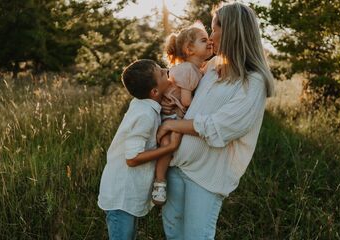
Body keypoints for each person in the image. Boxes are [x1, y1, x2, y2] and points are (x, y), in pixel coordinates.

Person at [156, 2, 275, 239]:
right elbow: (185, 89)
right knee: (173, 234)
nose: (211, 36)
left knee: (196, 236)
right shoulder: (211, 67)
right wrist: (169, 99)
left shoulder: (253, 81)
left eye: (214, 29)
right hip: (177, 165)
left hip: (206, 177)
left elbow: (222, 127)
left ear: (230, 31)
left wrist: (171, 125)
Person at [97, 59, 181, 240]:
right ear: (154, 92)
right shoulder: (144, 115)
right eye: (161, 73)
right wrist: (170, 147)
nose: (167, 70)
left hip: (127, 192)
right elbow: (132, 158)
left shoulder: (144, 105)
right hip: (122, 195)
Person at [151, 22, 213, 205]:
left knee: (171, 145)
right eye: (204, 40)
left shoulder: (196, 68)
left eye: (209, 39)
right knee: (166, 145)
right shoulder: (187, 70)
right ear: (189, 49)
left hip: (175, 114)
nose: (209, 42)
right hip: (171, 114)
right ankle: (159, 181)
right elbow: (186, 101)